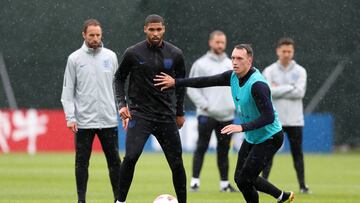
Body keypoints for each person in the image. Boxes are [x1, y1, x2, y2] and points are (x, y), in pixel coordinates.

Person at [154, 44, 295, 203]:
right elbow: (206, 81)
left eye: (239, 58)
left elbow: (268, 117)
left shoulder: (258, 85)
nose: (234, 62)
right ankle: (282, 196)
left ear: (249, 60)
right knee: (240, 179)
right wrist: (176, 82)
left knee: (246, 179)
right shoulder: (233, 77)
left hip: (270, 137)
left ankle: (281, 196)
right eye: (233, 57)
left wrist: (241, 127)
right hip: (252, 136)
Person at [114, 14, 187, 203]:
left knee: (177, 163)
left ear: (164, 29)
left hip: (166, 116)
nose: (155, 33)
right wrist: (122, 105)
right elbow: (119, 78)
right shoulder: (133, 53)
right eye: (152, 29)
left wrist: (179, 113)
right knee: (130, 158)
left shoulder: (175, 54)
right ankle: (120, 201)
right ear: (145, 29)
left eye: (159, 29)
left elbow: (181, 84)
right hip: (141, 115)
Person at [60, 19, 121, 203]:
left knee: (115, 163)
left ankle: (119, 199)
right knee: (81, 163)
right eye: (91, 35)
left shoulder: (110, 57)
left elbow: (117, 87)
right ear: (84, 35)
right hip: (84, 121)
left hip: (108, 119)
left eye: (98, 35)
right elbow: (67, 91)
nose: (95, 38)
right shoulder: (74, 58)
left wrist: (121, 109)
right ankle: (81, 200)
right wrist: (70, 117)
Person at [187, 30, 237, 192]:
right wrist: (206, 105)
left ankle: (224, 184)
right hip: (207, 115)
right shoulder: (200, 64)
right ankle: (195, 182)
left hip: (226, 115)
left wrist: (234, 105)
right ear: (210, 43)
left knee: (224, 151)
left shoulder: (231, 64)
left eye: (222, 42)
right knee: (201, 147)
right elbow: (192, 88)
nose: (220, 45)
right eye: (217, 42)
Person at [262, 37, 310, 194]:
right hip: (274, 121)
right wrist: (290, 87)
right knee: (268, 155)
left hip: (295, 120)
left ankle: (302, 186)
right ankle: (263, 184)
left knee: (297, 154)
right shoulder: (269, 71)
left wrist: (278, 88)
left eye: (290, 51)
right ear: (278, 51)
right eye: (284, 51)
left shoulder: (300, 71)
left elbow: (300, 92)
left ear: (293, 52)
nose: (287, 54)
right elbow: (267, 92)